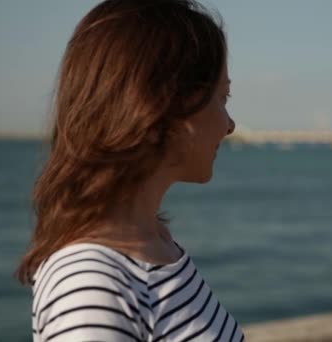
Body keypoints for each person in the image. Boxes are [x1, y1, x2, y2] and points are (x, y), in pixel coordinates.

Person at [15, 0, 243, 341]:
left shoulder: (158, 245)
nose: (230, 125)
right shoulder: (91, 287)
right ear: (169, 103)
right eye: (222, 98)